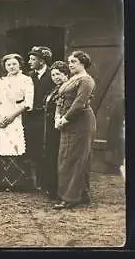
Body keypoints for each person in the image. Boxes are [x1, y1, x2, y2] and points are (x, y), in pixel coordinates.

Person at [53, 51, 96, 209]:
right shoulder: (72, 79)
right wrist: (57, 116)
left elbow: (79, 103)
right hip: (68, 121)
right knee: (67, 156)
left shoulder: (86, 80)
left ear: (82, 63)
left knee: (74, 158)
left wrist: (64, 119)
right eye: (69, 61)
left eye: (74, 62)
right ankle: (81, 194)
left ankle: (70, 197)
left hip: (80, 122)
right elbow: (60, 98)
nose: (70, 64)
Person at [0, 53, 34, 192]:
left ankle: (18, 182)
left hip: (17, 116)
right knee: (4, 147)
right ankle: (5, 182)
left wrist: (11, 117)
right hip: (2, 117)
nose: (11, 66)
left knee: (16, 147)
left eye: (14, 64)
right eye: (8, 64)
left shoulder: (26, 80)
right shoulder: (1, 81)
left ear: (20, 64)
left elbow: (27, 102)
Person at [25, 46, 54, 190]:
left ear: (42, 61)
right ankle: (34, 181)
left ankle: (46, 181)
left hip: (46, 116)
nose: (29, 61)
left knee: (46, 147)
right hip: (31, 116)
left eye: (33, 59)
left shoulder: (52, 76)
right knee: (33, 146)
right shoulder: (30, 76)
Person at [43, 61, 70, 200]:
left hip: (60, 127)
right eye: (53, 75)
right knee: (51, 154)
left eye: (58, 74)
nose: (55, 77)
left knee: (58, 156)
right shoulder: (55, 89)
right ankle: (52, 188)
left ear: (66, 74)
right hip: (50, 126)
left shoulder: (67, 88)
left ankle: (59, 190)